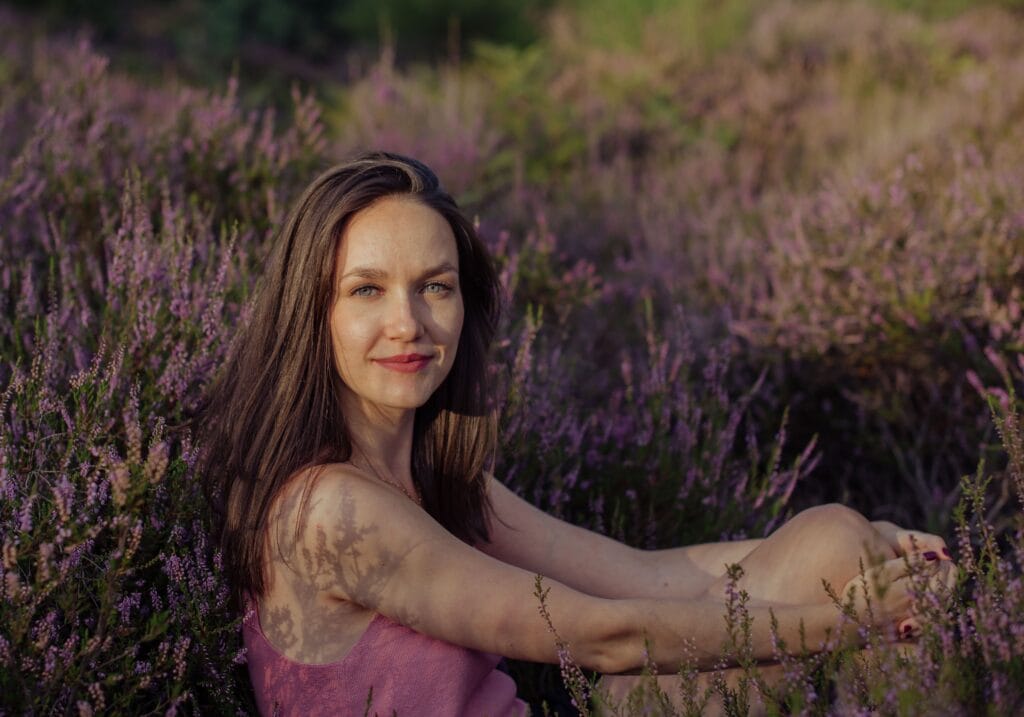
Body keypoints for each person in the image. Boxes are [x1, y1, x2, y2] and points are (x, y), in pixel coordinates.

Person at [197, 152, 956, 716]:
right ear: (312, 311)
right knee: (873, 658)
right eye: (366, 289)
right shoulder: (330, 511)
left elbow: (641, 574)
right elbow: (600, 636)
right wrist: (848, 620)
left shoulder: (430, 474)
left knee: (834, 536)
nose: (410, 323)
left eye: (435, 285)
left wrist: (878, 549)